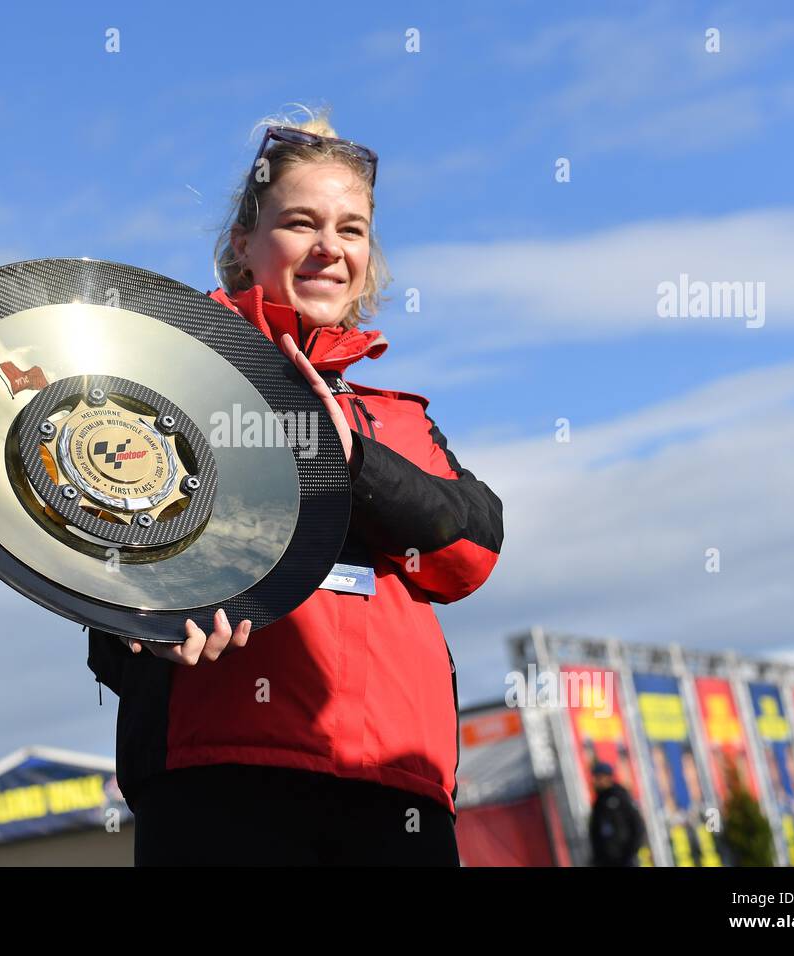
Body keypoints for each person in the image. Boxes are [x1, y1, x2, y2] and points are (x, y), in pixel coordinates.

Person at [85, 105, 504, 866]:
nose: (328, 249)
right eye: (301, 223)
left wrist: (353, 459)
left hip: (396, 784)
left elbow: (472, 550)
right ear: (243, 244)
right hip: (218, 780)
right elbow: (95, 572)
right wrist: (142, 636)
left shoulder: (399, 419)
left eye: (351, 229)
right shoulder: (167, 394)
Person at [588, 761, 646, 866]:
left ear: (607, 778)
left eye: (598, 777)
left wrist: (629, 854)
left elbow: (638, 826)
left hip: (624, 861)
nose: (595, 781)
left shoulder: (620, 797)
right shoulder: (599, 802)